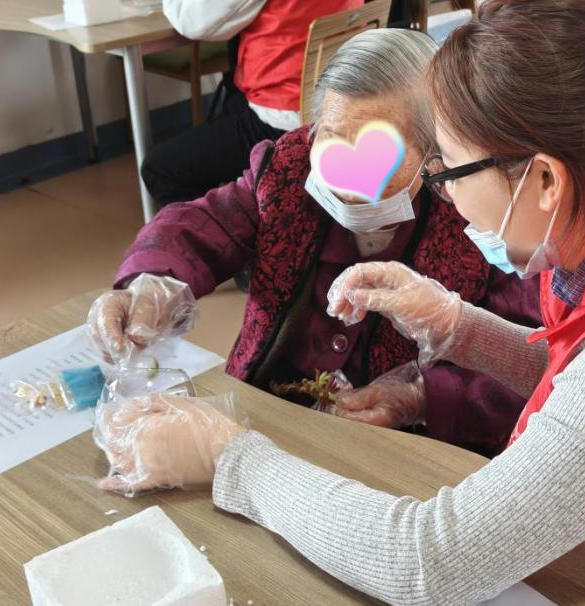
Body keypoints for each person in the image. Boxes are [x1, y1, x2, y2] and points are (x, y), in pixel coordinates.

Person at [94, 1, 585, 604]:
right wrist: (459, 326)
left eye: (448, 169)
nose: (443, 192)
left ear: (544, 181)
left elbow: (429, 563)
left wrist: (227, 456)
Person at [88, 29, 541, 458]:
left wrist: (421, 396)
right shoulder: (286, 173)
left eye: (379, 151)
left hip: (401, 447)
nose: (346, 179)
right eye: (332, 137)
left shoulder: (474, 218)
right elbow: (206, 222)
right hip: (270, 412)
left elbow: (528, 362)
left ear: (433, 154)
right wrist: (151, 283)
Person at [142, 0, 362, 208]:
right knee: (231, 105)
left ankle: (227, 229)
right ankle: (257, 202)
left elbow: (191, 21)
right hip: (340, 103)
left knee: (159, 169)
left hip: (285, 116)